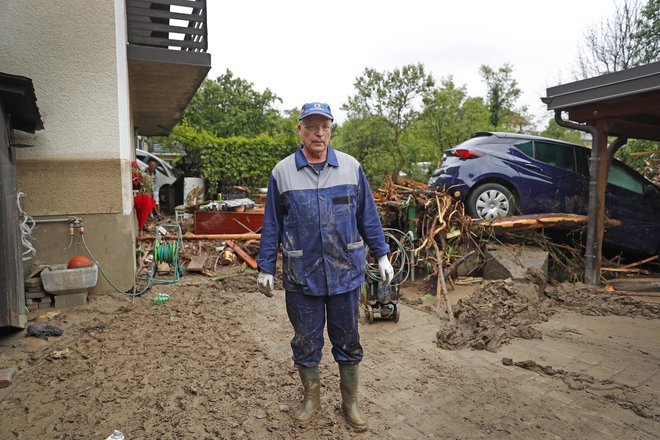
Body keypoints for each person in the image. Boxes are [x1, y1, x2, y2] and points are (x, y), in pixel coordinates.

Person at [257, 102, 394, 431]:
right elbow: (272, 224)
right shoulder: (282, 172)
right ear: (300, 129)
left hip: (345, 272)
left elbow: (368, 217)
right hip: (301, 275)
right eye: (311, 126)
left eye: (324, 126)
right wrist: (265, 266)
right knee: (305, 341)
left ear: (330, 129)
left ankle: (350, 401)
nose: (319, 133)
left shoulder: (350, 168)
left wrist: (382, 253)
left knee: (348, 340)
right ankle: (311, 398)